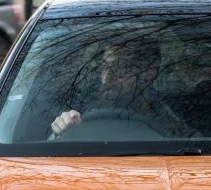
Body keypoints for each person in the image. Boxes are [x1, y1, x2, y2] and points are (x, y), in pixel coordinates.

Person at [48, 37, 188, 138]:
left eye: (119, 67)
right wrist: (61, 131)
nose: (107, 78)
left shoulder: (169, 121)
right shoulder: (81, 111)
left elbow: (194, 147)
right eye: (105, 67)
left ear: (148, 74)